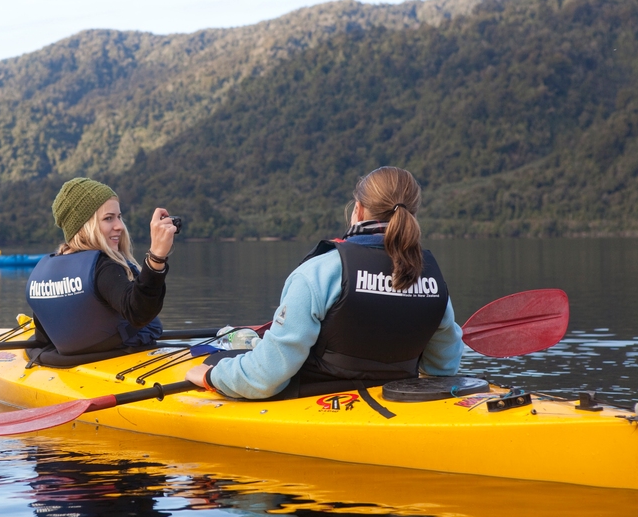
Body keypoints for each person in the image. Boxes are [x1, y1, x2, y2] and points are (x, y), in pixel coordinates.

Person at [186, 166, 464, 399]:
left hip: (313, 402)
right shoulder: (429, 277)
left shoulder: (319, 271)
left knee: (214, 360)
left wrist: (212, 375)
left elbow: (266, 377)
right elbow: (443, 367)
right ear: (412, 213)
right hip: (393, 402)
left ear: (358, 209)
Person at [26, 177, 177, 360]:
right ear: (83, 226)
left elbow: (43, 337)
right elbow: (139, 313)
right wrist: (156, 257)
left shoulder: (43, 271)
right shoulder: (103, 267)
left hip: (65, 360)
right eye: (108, 218)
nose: (120, 226)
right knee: (150, 324)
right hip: (114, 356)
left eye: (119, 217)